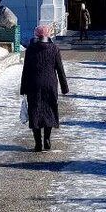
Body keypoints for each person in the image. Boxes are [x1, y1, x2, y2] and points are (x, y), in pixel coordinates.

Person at [20, 24, 69, 152]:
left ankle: (38, 144)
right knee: (49, 110)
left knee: (35, 111)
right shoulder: (54, 49)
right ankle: (47, 139)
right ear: (48, 35)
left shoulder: (30, 49)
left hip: (33, 85)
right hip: (50, 85)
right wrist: (64, 87)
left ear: (36, 34)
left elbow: (26, 70)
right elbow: (60, 69)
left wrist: (23, 88)